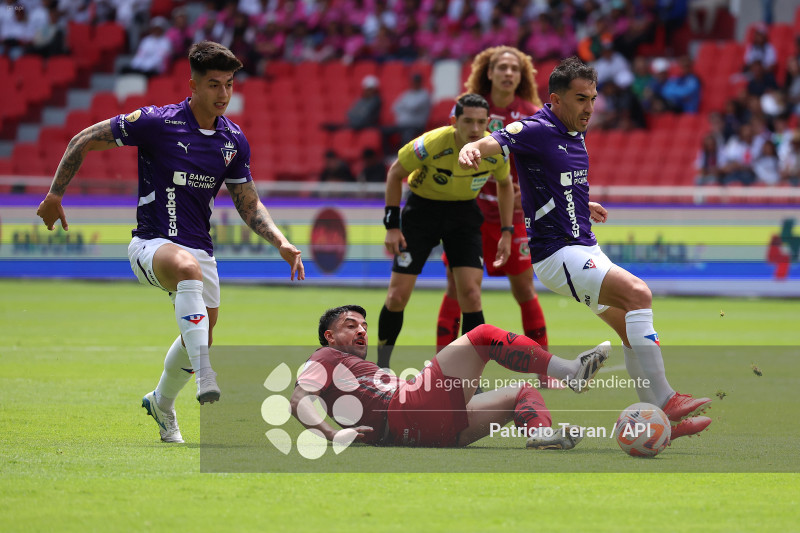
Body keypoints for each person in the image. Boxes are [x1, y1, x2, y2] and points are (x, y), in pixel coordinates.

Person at [36, 41, 305, 443]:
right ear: (193, 84)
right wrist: (55, 195)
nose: (223, 94)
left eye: (229, 84)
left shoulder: (233, 140)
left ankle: (161, 403)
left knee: (203, 330)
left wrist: (281, 241)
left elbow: (248, 202)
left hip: (200, 248)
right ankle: (206, 374)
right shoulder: (156, 122)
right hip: (150, 243)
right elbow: (83, 139)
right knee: (186, 272)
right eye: (214, 84)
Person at [457, 57, 712, 440]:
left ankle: (662, 422)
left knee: (629, 327)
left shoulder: (574, 131)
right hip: (558, 255)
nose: (589, 108)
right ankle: (666, 399)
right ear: (556, 99)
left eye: (593, 98)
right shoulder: (536, 127)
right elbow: (500, 138)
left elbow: (555, 178)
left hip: (582, 247)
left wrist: (578, 203)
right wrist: (473, 149)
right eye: (580, 99)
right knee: (640, 294)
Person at [291, 305, 613, 449]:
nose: (361, 330)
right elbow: (298, 399)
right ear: (329, 337)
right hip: (409, 409)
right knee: (484, 335)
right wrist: (330, 434)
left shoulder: (350, 367)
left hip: (435, 432)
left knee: (522, 393)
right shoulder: (325, 356)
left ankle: (541, 435)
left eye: (363, 325)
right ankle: (570, 371)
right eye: (350, 325)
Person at [437, 46, 552, 386]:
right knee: (457, 288)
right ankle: (444, 367)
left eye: (514, 69)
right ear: (489, 71)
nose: (507, 73)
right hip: (468, 213)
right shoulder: (471, 110)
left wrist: (530, 191)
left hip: (511, 215)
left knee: (524, 288)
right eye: (501, 67)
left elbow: (545, 163)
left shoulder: (532, 114)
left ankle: (543, 369)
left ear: (521, 76)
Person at [378, 93, 513, 369]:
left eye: (480, 122)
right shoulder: (430, 143)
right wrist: (392, 226)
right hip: (421, 213)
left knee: (472, 295)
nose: (475, 129)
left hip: (463, 215)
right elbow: (394, 173)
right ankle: (380, 368)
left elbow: (505, 184)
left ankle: (470, 378)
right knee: (396, 296)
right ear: (454, 121)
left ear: (489, 122)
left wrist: (507, 230)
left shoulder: (496, 148)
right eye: (467, 122)